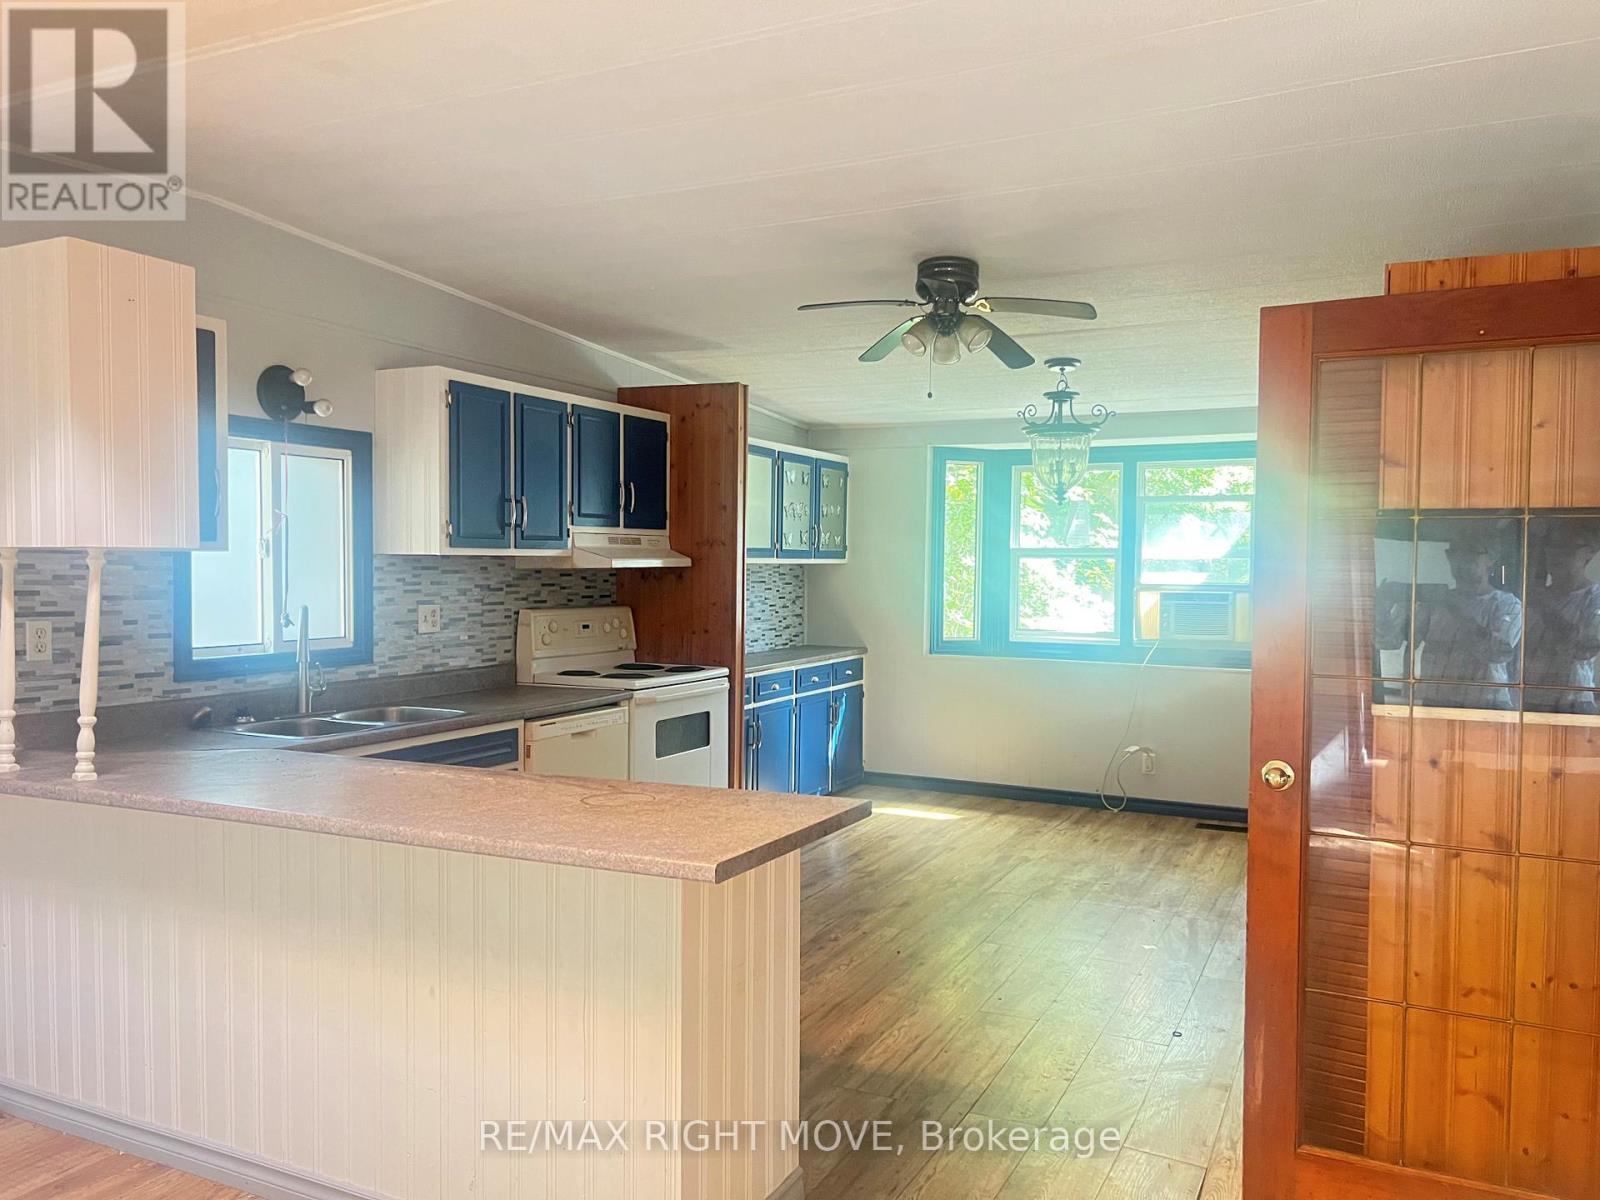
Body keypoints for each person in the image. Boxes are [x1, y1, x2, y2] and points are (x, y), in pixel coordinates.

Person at [1375, 526, 1522, 710]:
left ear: (1491, 559)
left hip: (1487, 706)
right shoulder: (1434, 602)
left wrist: (1454, 606)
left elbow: (1496, 653)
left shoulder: (1507, 605)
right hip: (1437, 703)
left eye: (1470, 552)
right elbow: (1389, 642)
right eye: (1454, 553)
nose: (1460, 560)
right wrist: (1382, 609)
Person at [1525, 522, 1600, 714]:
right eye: (1551, 547)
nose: (1556, 555)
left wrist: (1545, 610)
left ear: (1590, 552)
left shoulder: (1596, 598)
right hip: (1528, 698)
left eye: (1567, 548)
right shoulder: (1529, 598)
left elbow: (1583, 649)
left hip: (1573, 702)